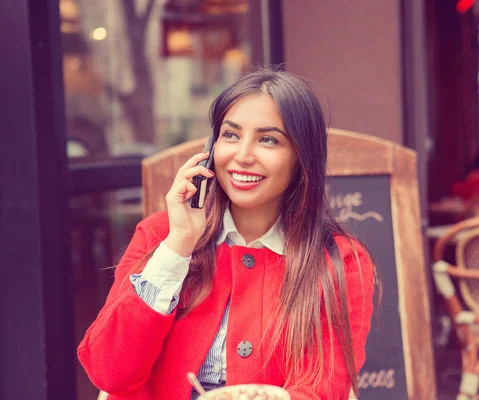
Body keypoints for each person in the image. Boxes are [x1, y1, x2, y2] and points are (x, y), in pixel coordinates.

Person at [78, 68, 379, 400]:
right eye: (230, 135)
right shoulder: (161, 235)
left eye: (269, 139)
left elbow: (323, 387)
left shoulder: (339, 259)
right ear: (211, 147)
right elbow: (110, 372)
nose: (243, 156)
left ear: (301, 157)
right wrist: (178, 245)